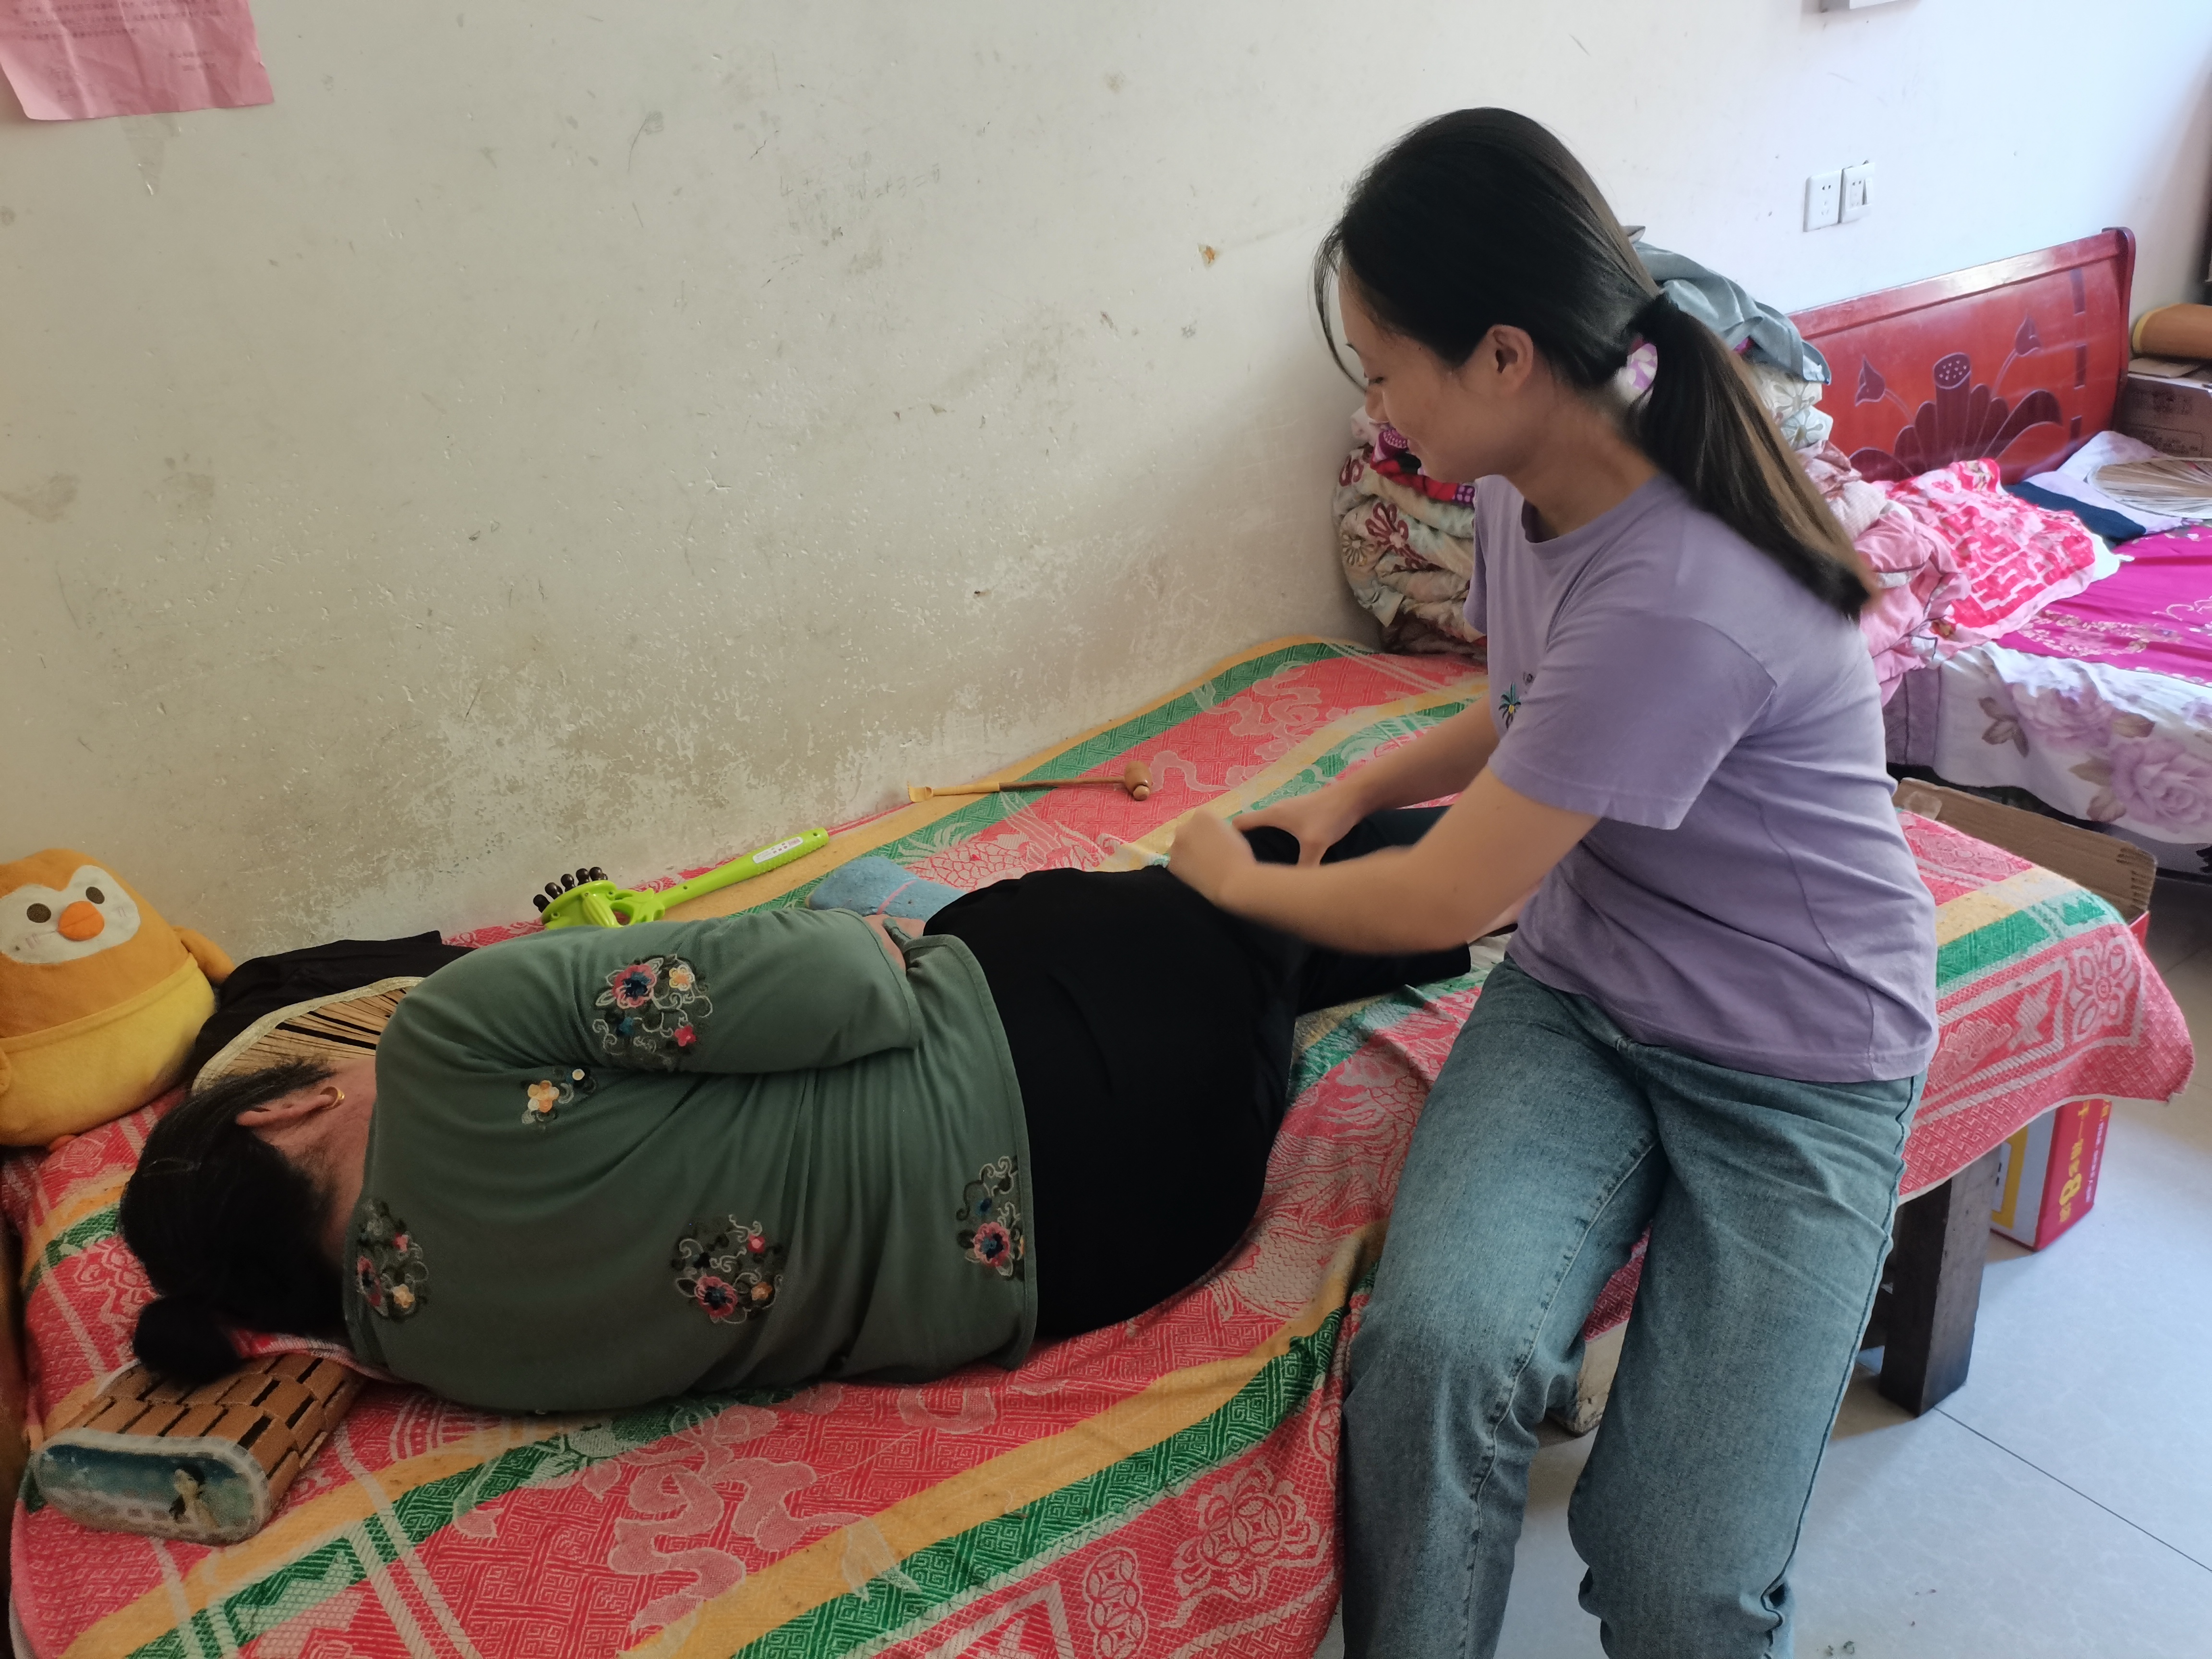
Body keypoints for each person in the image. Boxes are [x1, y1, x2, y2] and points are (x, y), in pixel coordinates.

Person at [1165, 110, 1936, 1659]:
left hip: (1798, 1066)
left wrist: (1224, 878)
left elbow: (1436, 908)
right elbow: (1538, 701)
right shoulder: (1531, 491)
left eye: (1385, 369)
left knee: (1674, 1573)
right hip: (1587, 1003)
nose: (1376, 407)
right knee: (1436, 1358)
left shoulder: (1688, 585)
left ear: (1505, 357)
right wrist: (1355, 788)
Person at [120, 817, 1469, 1413]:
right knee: (1221, 881)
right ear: (284, 1113)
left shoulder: (423, 1355)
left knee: (1242, 961)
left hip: (1137, 1241)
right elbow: (843, 982)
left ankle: (1350, 942)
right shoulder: (440, 1039)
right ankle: (1516, 855)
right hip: (1086, 1066)